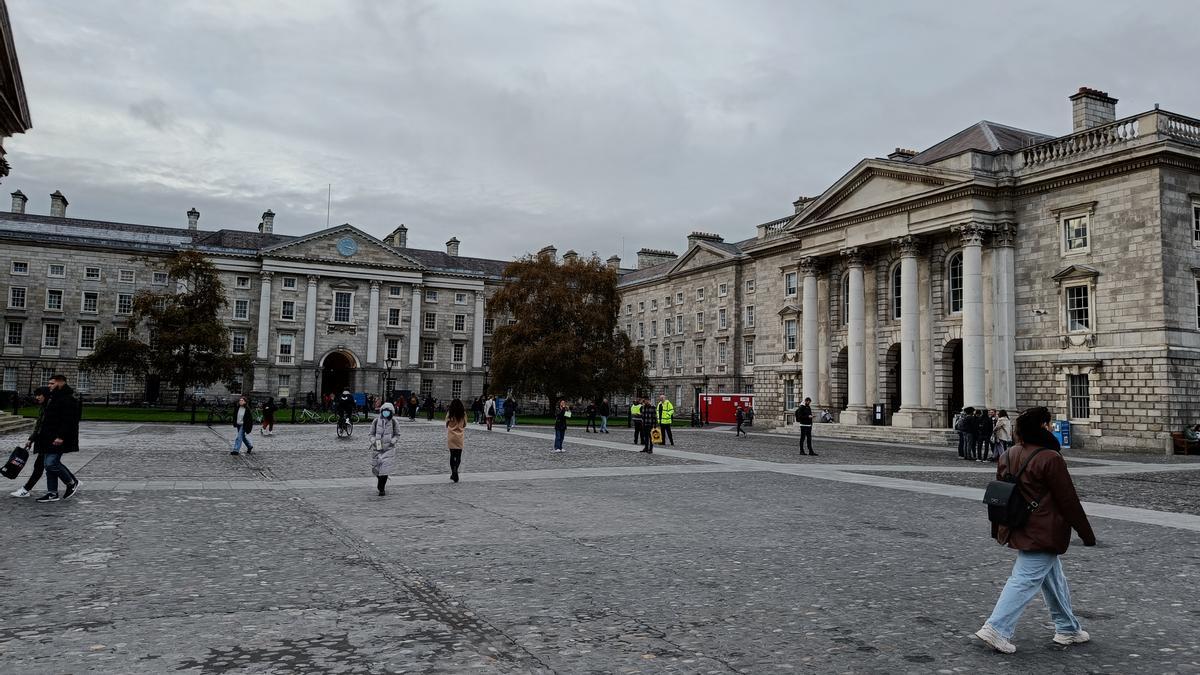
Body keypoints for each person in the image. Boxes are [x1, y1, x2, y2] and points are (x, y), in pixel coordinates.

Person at [974, 406, 1096, 654]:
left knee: (1053, 579)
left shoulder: (1009, 454)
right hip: (1044, 528)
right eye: (1048, 424)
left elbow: (1002, 493)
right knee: (1024, 579)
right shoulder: (1050, 458)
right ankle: (996, 628)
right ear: (1042, 427)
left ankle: (1068, 628)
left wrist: (999, 528)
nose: (1051, 428)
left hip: (1019, 523)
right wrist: (1086, 534)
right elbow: (1068, 500)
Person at [34, 375, 82, 502]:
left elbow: (68, 420)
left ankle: (71, 482)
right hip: (48, 437)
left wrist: (61, 436)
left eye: (51, 383)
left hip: (58, 437)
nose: (48, 385)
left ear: (60, 383)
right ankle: (52, 493)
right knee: (48, 465)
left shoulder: (67, 399)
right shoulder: (53, 397)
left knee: (51, 464)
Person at [9, 386, 51, 498]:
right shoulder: (44, 407)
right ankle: (71, 481)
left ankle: (26, 489)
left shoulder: (49, 407)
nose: (37, 397)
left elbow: (42, 427)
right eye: (36, 395)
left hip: (47, 442)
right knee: (53, 465)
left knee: (41, 466)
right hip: (44, 441)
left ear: (45, 395)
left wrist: (33, 438)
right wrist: (31, 439)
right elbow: (38, 425)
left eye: (39, 395)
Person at [369, 402, 400, 495]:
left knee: (385, 469)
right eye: (384, 411)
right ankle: (380, 482)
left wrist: (393, 441)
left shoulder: (394, 421)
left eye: (388, 411)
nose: (386, 412)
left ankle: (381, 488)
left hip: (389, 448)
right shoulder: (376, 421)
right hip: (377, 447)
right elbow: (371, 433)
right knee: (377, 469)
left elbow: (397, 434)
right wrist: (373, 440)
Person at [446, 398, 467, 481]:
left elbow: (446, 423)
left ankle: (453, 472)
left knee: (452, 455)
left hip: (451, 436)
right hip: (459, 436)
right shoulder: (463, 413)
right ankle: (456, 470)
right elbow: (465, 424)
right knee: (458, 455)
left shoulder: (450, 413)